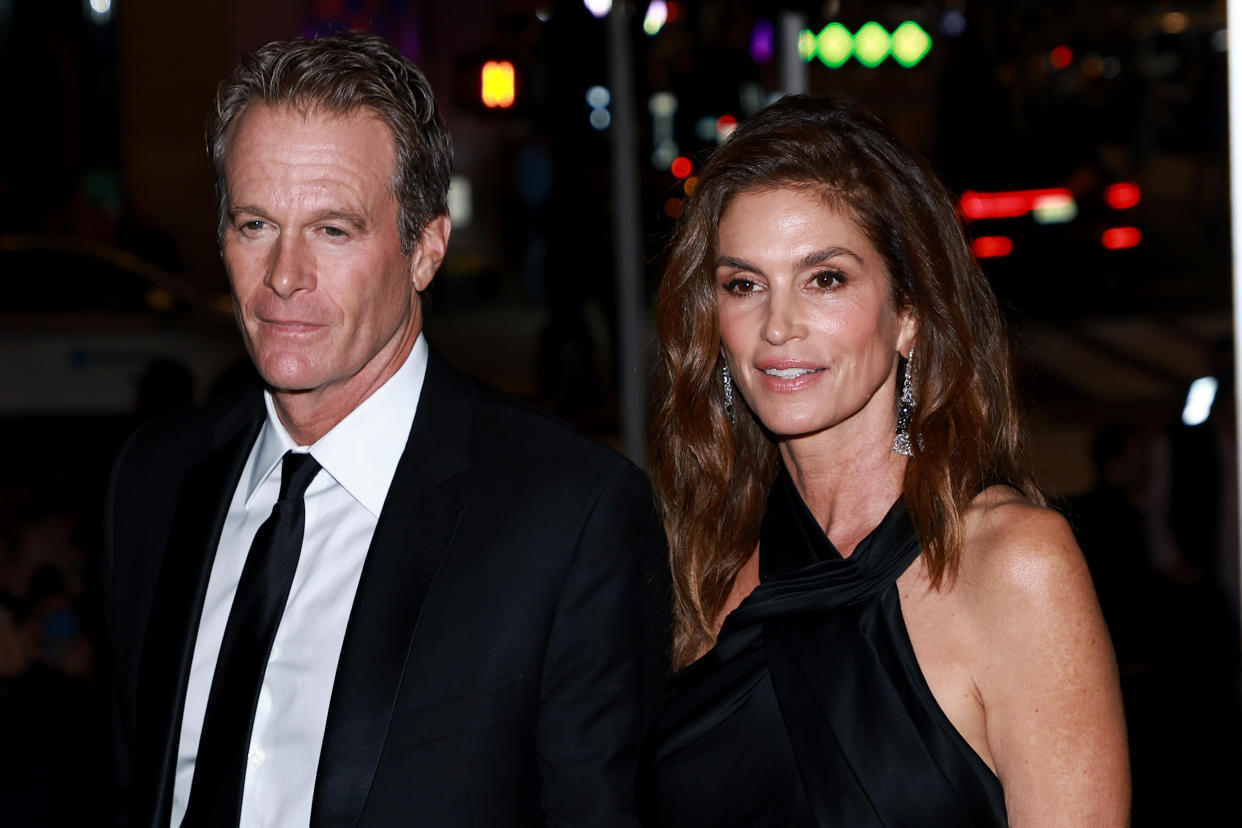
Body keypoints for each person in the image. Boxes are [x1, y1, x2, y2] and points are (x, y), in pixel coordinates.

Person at [102, 32, 668, 827]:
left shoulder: (570, 516)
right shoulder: (154, 480)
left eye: (333, 230)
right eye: (255, 223)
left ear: (425, 249)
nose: (284, 276)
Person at [638, 95, 1129, 826]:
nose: (778, 325)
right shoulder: (703, 557)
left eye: (825, 279)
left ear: (909, 313)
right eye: (743, 285)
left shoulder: (1013, 564)